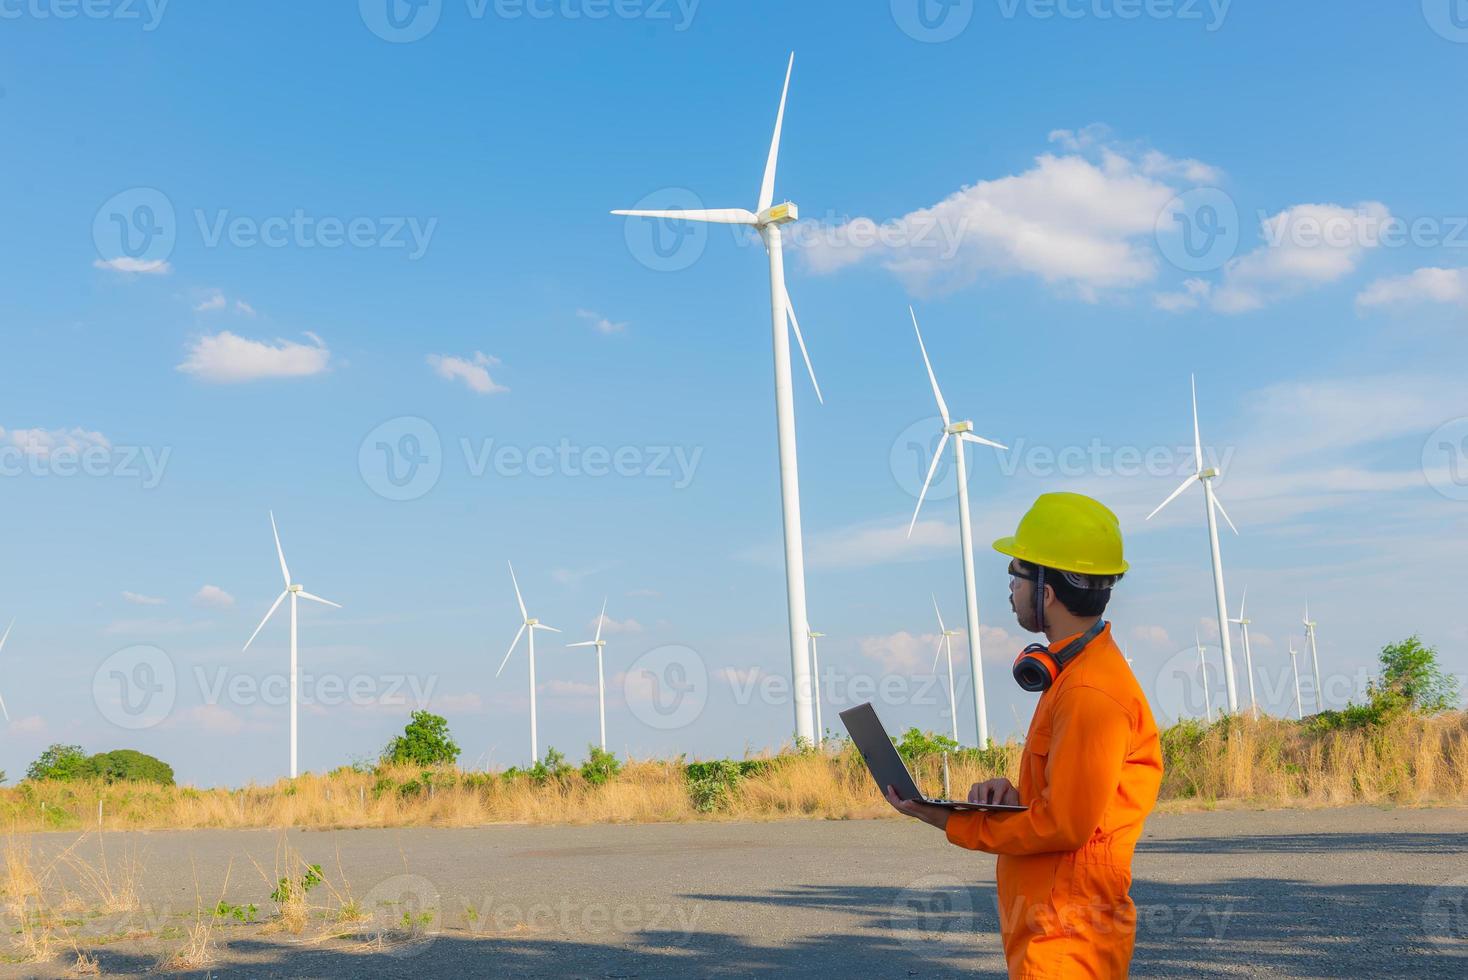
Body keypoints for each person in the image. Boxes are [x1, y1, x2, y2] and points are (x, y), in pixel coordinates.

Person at [885, 492, 1163, 978]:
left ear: (1047, 591)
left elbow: (1066, 827)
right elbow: (1073, 807)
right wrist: (1014, 798)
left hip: (1066, 940)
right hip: (1053, 928)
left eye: (1014, 573)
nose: (1009, 589)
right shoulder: (1074, 677)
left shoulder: (1090, 693)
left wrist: (948, 818)